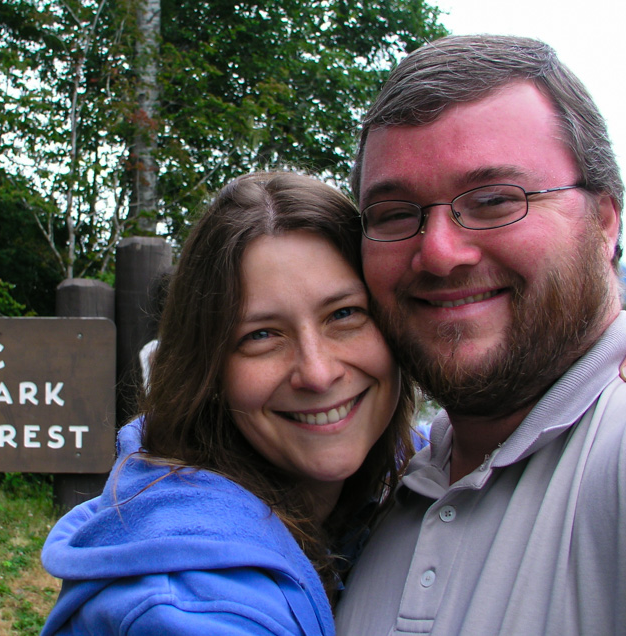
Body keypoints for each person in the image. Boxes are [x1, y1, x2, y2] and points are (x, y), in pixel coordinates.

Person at [334, 35, 626, 635]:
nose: (438, 252)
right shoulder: (372, 499)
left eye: (493, 200)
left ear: (605, 221)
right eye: (396, 214)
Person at [40, 172, 416, 635]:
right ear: (208, 368)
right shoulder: (189, 607)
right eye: (261, 335)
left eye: (344, 314)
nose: (318, 374)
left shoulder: (421, 472)